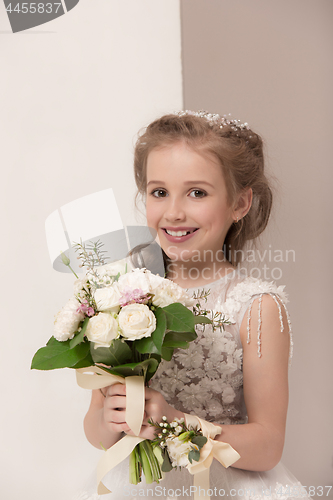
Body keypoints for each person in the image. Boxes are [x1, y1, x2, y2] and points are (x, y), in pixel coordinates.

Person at [80, 111, 308, 500]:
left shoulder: (256, 308)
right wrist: (111, 417)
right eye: (159, 192)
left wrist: (179, 423)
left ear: (239, 203)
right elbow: (96, 431)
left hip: (226, 484)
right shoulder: (124, 295)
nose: (173, 213)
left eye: (197, 192)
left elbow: (268, 445)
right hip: (137, 485)